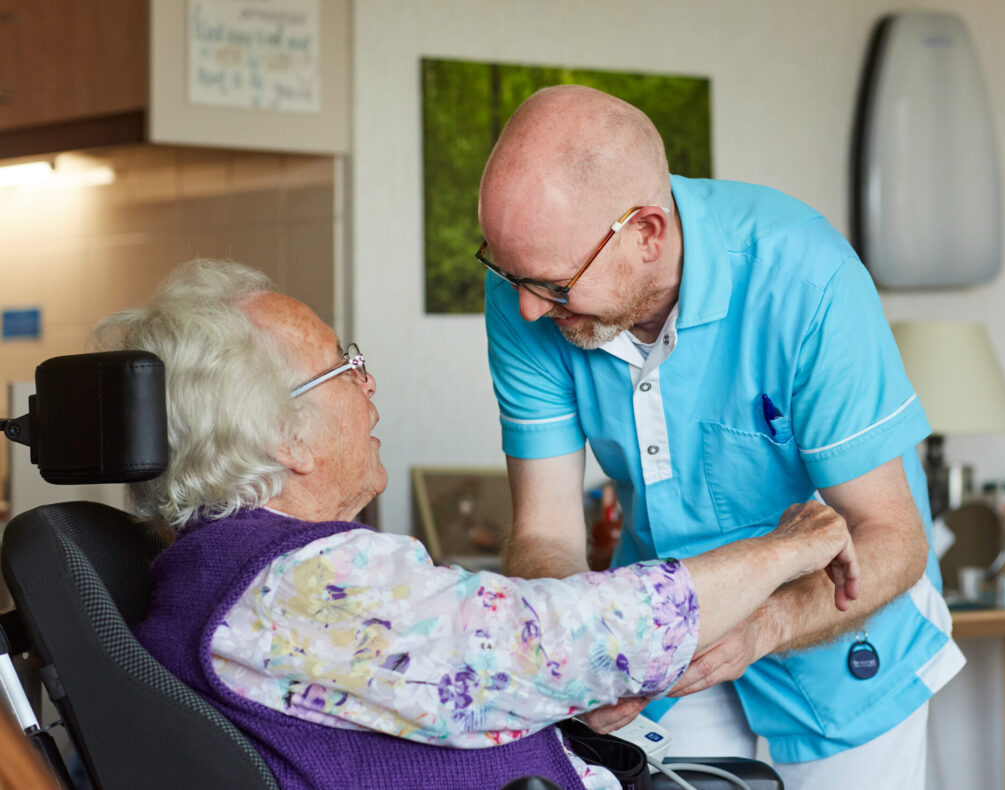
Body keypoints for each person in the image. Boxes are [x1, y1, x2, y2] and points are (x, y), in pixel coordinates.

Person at [104, 259, 862, 790]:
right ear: (285, 439)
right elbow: (553, 641)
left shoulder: (222, 568)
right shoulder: (297, 586)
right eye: (345, 366)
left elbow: (485, 663)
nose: (369, 384)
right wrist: (789, 547)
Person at [478, 85, 965, 789]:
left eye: (553, 285)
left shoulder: (805, 275)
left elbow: (894, 538)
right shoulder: (525, 290)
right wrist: (583, 656)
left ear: (648, 233)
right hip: (674, 633)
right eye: (508, 273)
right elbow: (546, 535)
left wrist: (763, 626)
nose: (526, 306)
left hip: (841, 628)